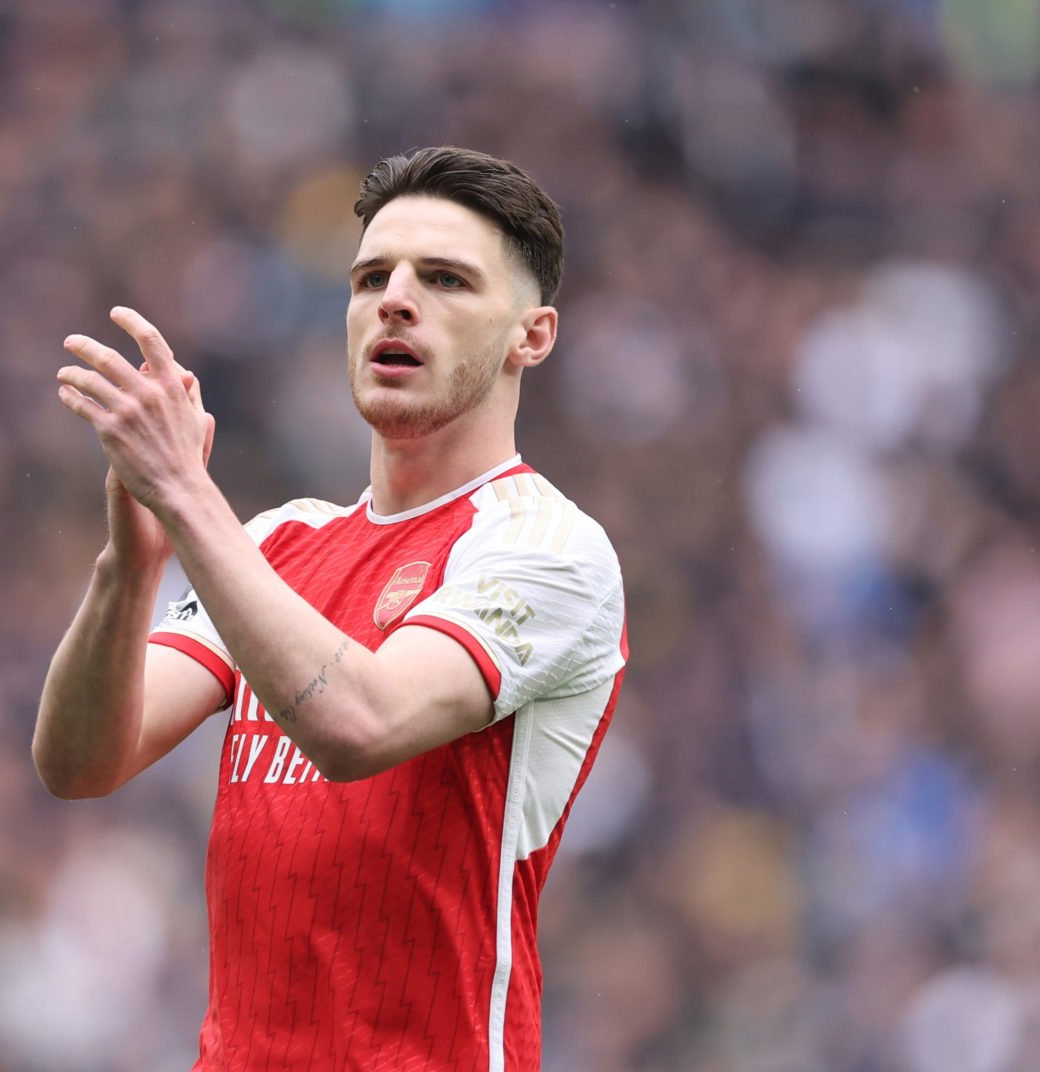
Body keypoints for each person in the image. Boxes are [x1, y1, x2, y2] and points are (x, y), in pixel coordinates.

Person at [34, 146, 627, 1071]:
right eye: (370, 278)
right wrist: (129, 565)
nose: (394, 298)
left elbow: (359, 723)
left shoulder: (548, 548)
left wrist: (191, 501)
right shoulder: (277, 544)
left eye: (446, 279)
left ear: (531, 336)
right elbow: (79, 762)